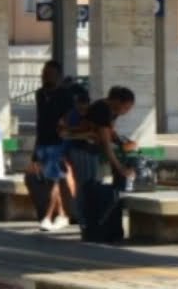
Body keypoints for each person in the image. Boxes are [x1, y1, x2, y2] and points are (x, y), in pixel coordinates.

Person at [64, 86, 136, 243]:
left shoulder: (110, 110)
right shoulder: (102, 109)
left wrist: (122, 142)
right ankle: (86, 224)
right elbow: (105, 143)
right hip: (83, 151)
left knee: (92, 186)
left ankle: (89, 223)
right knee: (86, 187)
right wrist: (119, 168)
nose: (126, 111)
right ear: (117, 101)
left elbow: (110, 131)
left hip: (91, 151)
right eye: (126, 107)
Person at [26, 61, 81, 232]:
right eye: (43, 73)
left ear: (57, 75)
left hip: (58, 143)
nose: (44, 76)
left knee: (54, 180)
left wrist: (66, 132)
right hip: (43, 142)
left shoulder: (65, 95)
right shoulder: (40, 94)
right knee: (46, 181)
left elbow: (71, 117)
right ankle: (61, 214)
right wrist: (35, 149)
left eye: (48, 73)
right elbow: (40, 120)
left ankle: (50, 216)